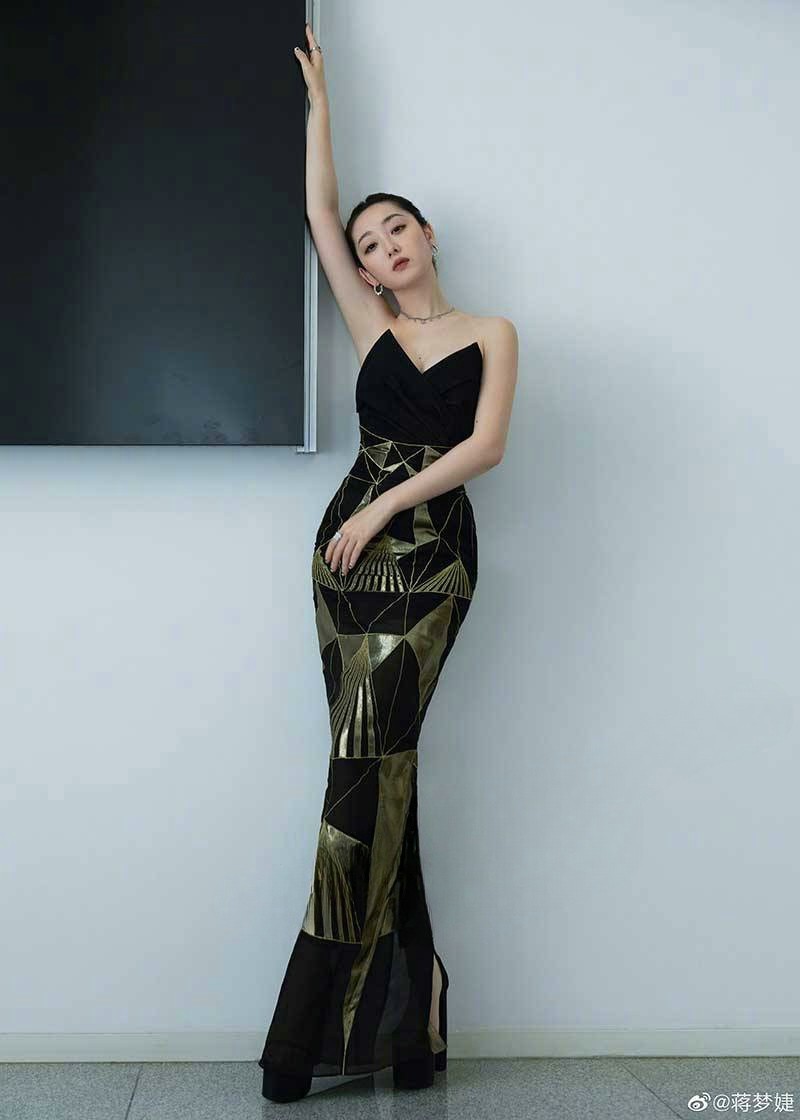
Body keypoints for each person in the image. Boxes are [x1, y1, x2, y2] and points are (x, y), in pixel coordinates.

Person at [259, 22, 518, 1103]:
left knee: (364, 771)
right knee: (378, 766)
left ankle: (309, 1032)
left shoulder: (490, 332)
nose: (380, 245)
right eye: (369, 242)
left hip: (427, 558)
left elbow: (482, 449)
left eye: (395, 227)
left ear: (426, 235)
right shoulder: (370, 331)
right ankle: (418, 1011)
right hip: (346, 562)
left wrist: (385, 504)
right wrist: (323, 106)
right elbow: (318, 213)